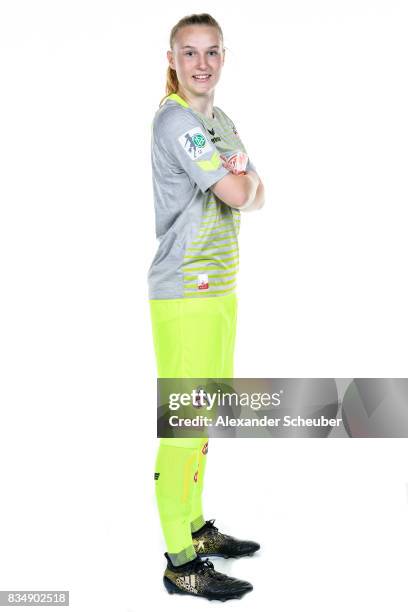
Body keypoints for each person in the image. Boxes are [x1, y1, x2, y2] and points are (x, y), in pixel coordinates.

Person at [148, 13, 265, 601]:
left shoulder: (219, 121)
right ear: (172, 59)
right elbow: (240, 191)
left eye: (211, 52)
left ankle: (196, 529)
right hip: (185, 292)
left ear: (223, 58)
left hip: (221, 289)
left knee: (202, 423)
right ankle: (179, 563)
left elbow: (257, 191)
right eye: (189, 52)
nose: (201, 63)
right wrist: (241, 178)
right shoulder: (179, 125)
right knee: (182, 428)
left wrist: (244, 181)